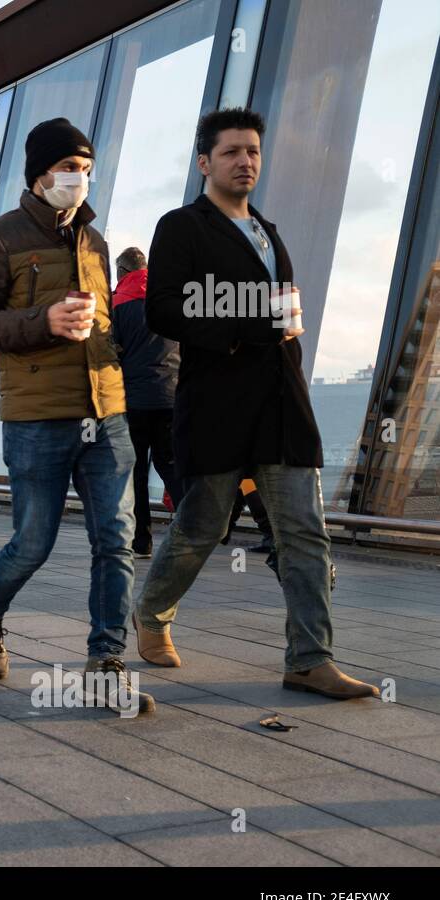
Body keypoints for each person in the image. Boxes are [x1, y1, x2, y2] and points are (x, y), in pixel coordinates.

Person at [131, 107, 377, 700]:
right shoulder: (181, 226)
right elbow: (163, 308)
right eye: (232, 151)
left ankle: (309, 658)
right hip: (217, 404)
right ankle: (153, 611)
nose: (246, 161)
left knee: (304, 531)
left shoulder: (268, 230)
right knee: (201, 526)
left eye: (254, 152)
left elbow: (276, 313)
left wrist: (282, 323)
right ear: (204, 162)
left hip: (283, 403)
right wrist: (244, 324)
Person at [0, 116, 150, 713]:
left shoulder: (95, 242)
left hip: (107, 412)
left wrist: (116, 351)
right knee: (33, 542)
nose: (79, 180)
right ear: (40, 175)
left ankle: (105, 659)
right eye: (69, 169)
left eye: (86, 170)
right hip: (38, 417)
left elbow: (103, 319)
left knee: (116, 537)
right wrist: (43, 321)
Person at [109, 246, 183, 558]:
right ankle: (193, 526)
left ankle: (141, 540)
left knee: (136, 471)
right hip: (170, 398)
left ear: (123, 272)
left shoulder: (117, 305)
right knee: (169, 463)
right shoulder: (170, 301)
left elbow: (111, 351)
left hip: (134, 401)